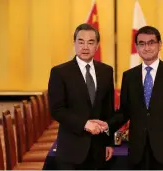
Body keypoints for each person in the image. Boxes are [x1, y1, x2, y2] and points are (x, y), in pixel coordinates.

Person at [97, 26, 163, 169]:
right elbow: (124, 112)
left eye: (151, 42)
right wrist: (106, 126)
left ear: (160, 45)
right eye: (142, 43)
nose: (147, 48)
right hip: (137, 150)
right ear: (136, 47)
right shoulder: (129, 76)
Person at [48, 23, 114, 170]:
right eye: (81, 41)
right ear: (74, 44)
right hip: (71, 148)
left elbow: (108, 109)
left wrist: (109, 142)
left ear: (97, 46)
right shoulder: (60, 72)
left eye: (90, 42)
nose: (85, 47)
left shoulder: (106, 71)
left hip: (98, 149)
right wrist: (85, 124)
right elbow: (56, 109)